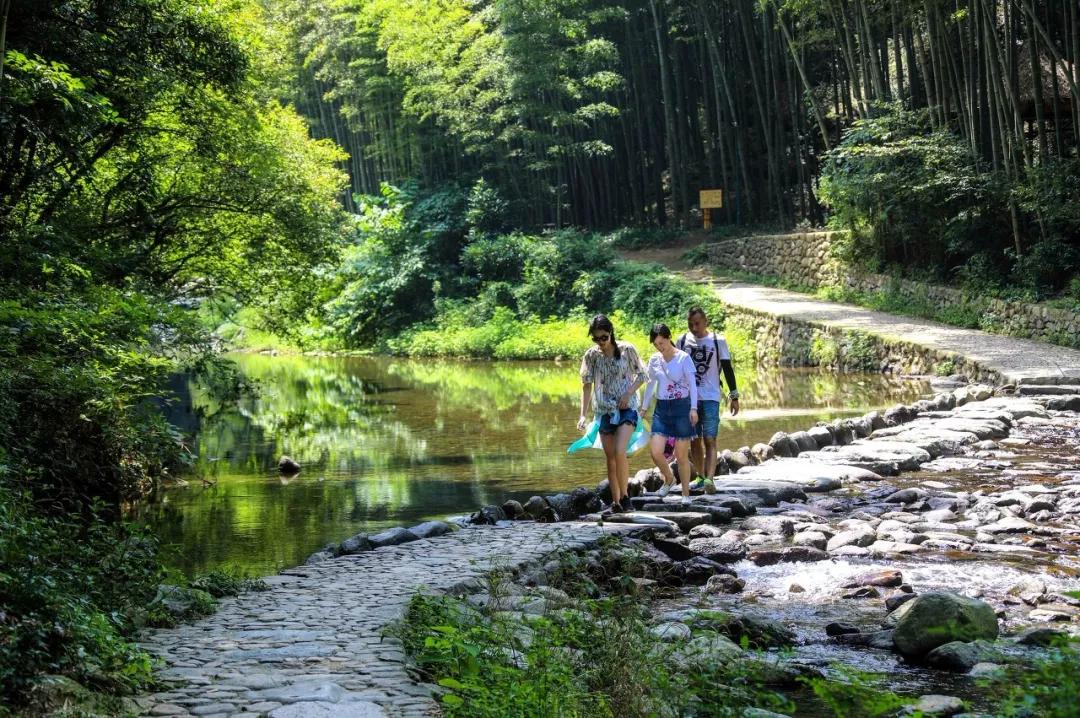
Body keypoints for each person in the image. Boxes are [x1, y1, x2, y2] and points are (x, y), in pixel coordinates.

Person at [578, 314, 647, 513]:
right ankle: (616, 502)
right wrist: (583, 415)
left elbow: (643, 375)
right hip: (604, 411)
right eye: (596, 338)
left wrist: (628, 393)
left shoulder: (627, 350)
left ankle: (626, 497)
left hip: (627, 409)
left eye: (604, 337)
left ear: (611, 333)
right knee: (610, 458)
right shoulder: (591, 356)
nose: (600, 342)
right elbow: (586, 386)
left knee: (619, 451)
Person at [676, 307, 740, 484]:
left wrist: (734, 396)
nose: (694, 328)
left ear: (706, 322)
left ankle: (710, 479)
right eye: (690, 324)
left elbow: (727, 369)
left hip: (711, 396)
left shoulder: (718, 341)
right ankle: (701, 476)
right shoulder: (682, 341)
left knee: (710, 438)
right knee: (694, 440)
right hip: (690, 398)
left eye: (697, 324)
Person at [640, 323, 698, 505]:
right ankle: (669, 478)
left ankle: (686, 494)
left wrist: (694, 408)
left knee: (681, 456)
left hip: (682, 408)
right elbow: (650, 385)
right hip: (662, 409)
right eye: (656, 344)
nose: (659, 347)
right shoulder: (654, 360)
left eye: (662, 343)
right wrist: (643, 407)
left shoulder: (683, 358)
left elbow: (693, 385)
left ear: (668, 338)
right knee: (656, 452)